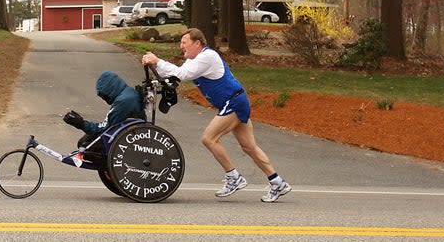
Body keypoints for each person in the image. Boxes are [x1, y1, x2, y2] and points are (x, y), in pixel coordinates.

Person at [141, 28, 291, 202]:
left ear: (197, 43)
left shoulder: (207, 57)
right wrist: (154, 67)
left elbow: (182, 74)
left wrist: (157, 60)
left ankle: (234, 177)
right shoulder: (195, 59)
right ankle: (278, 182)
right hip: (235, 102)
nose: (181, 46)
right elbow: (177, 74)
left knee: (209, 138)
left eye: (184, 42)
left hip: (234, 102)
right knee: (249, 147)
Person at [63, 70, 145, 149]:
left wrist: (81, 123)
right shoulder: (127, 93)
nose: (104, 99)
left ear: (109, 90)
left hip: (126, 140)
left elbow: (105, 130)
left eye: (103, 96)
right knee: (85, 140)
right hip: (129, 133)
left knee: (84, 146)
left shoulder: (123, 102)